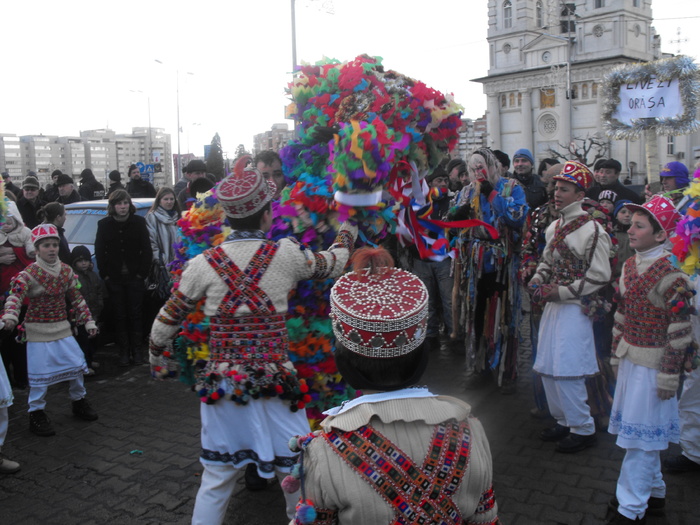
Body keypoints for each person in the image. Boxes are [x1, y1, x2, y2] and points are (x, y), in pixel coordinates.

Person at [148, 163, 358, 525]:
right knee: (296, 472)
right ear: (266, 215)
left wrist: (157, 358)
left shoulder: (202, 264)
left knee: (216, 480)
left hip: (223, 389)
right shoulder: (287, 255)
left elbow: (166, 321)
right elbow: (335, 264)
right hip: (276, 385)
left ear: (229, 217)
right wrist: (347, 230)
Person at [285, 247, 499, 524]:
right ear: (422, 358)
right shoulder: (471, 430)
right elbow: (486, 518)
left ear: (344, 365)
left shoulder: (324, 450)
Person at [606, 195, 692, 524]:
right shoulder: (630, 265)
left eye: (639, 225)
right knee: (645, 436)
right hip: (632, 360)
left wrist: (670, 376)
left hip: (653, 369)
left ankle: (629, 509)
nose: (630, 229)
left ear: (660, 236)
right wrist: (616, 354)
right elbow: (623, 312)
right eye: (632, 223)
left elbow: (681, 330)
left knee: (641, 442)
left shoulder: (672, 277)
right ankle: (654, 495)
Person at [529, 161, 612, 453]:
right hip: (553, 306)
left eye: (565, 189)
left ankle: (583, 428)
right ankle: (563, 420)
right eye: (556, 187)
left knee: (569, 367)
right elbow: (547, 261)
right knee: (549, 365)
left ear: (580, 195)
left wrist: (561, 292)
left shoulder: (593, 229)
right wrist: (538, 280)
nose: (556, 193)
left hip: (576, 308)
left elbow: (601, 275)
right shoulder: (555, 226)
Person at [2, 224, 98, 437]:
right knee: (39, 377)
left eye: (55, 244)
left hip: (63, 328)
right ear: (36, 249)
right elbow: (15, 297)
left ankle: (79, 401)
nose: (52, 249)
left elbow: (77, 299)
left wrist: (88, 321)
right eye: (46, 245)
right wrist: (9, 316)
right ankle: (36, 414)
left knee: (76, 367)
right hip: (37, 332)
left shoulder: (66, 270)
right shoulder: (28, 273)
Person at [451, 147, 528, 394]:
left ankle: (505, 365)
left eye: (481, 167)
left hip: (502, 262)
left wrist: (492, 194)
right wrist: (456, 216)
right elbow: (450, 223)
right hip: (475, 264)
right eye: (473, 169)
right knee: (477, 312)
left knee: (503, 316)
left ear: (493, 166)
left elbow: (517, 217)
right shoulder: (465, 191)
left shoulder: (511, 187)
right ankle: (481, 364)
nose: (477, 172)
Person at [95, 190, 152, 366]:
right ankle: (124, 352)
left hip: (135, 277)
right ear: (113, 206)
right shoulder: (104, 224)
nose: (122, 207)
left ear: (130, 205)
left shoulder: (139, 222)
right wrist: (105, 274)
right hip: (114, 278)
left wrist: (142, 273)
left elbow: (147, 250)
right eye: (119, 204)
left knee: (135, 314)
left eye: (125, 203)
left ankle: (137, 351)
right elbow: (99, 251)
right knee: (120, 315)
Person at [409, 165, 454, 351]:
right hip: (421, 259)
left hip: (443, 259)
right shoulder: (418, 201)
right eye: (439, 181)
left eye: (445, 180)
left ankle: (454, 334)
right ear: (429, 183)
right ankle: (430, 335)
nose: (443, 184)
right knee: (426, 300)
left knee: (449, 299)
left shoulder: (452, 201)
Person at [0, 201, 35, 391]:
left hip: (22, 298)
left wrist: (12, 251)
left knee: (20, 339)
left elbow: (31, 257)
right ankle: (8, 380)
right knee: (4, 341)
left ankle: (22, 376)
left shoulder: (24, 235)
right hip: (2, 298)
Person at [71, 246, 104, 375]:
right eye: (80, 261)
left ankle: (91, 358)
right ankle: (86, 363)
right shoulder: (74, 277)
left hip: (94, 312)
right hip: (81, 316)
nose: (83, 263)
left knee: (94, 340)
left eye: (85, 260)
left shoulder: (93, 275)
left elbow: (99, 291)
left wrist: (99, 305)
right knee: (83, 342)